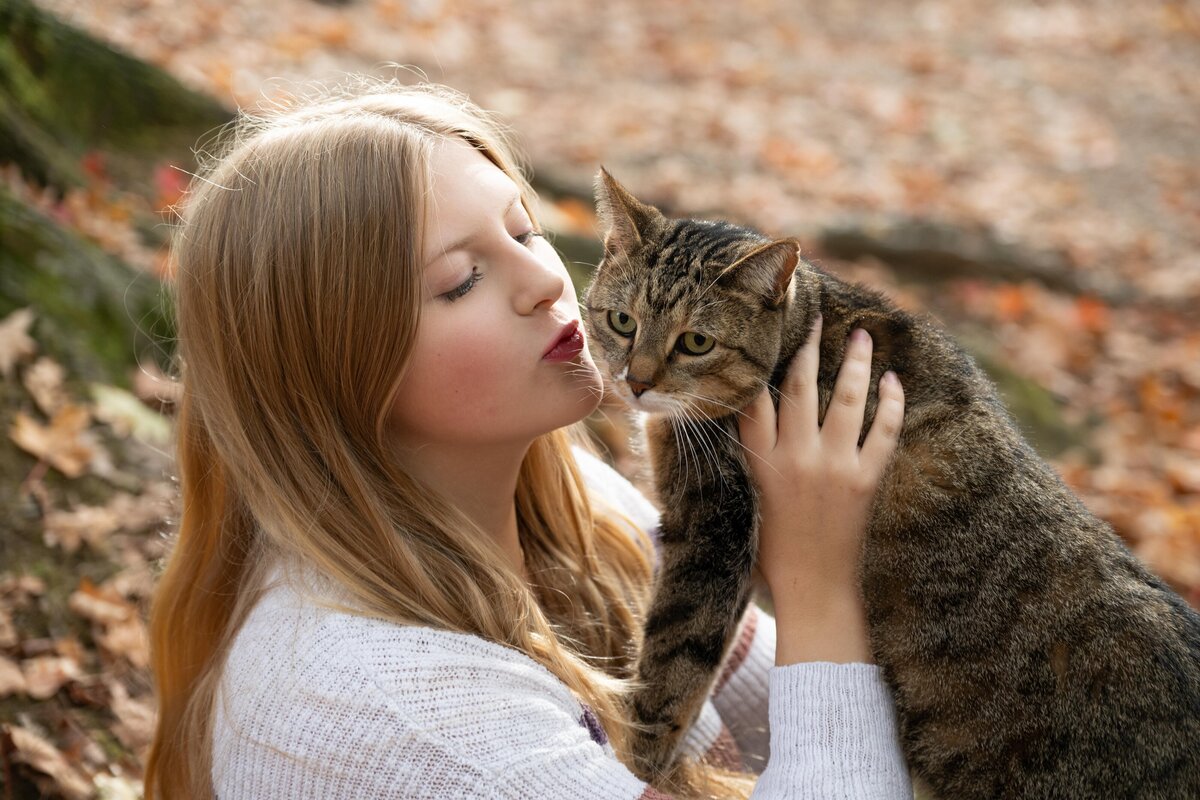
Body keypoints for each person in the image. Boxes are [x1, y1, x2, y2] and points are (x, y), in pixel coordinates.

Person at [144, 79, 911, 799]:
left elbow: (860, 729)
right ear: (334, 370)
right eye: (460, 280)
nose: (547, 282)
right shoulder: (388, 710)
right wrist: (820, 583)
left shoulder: (582, 514)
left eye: (524, 229)